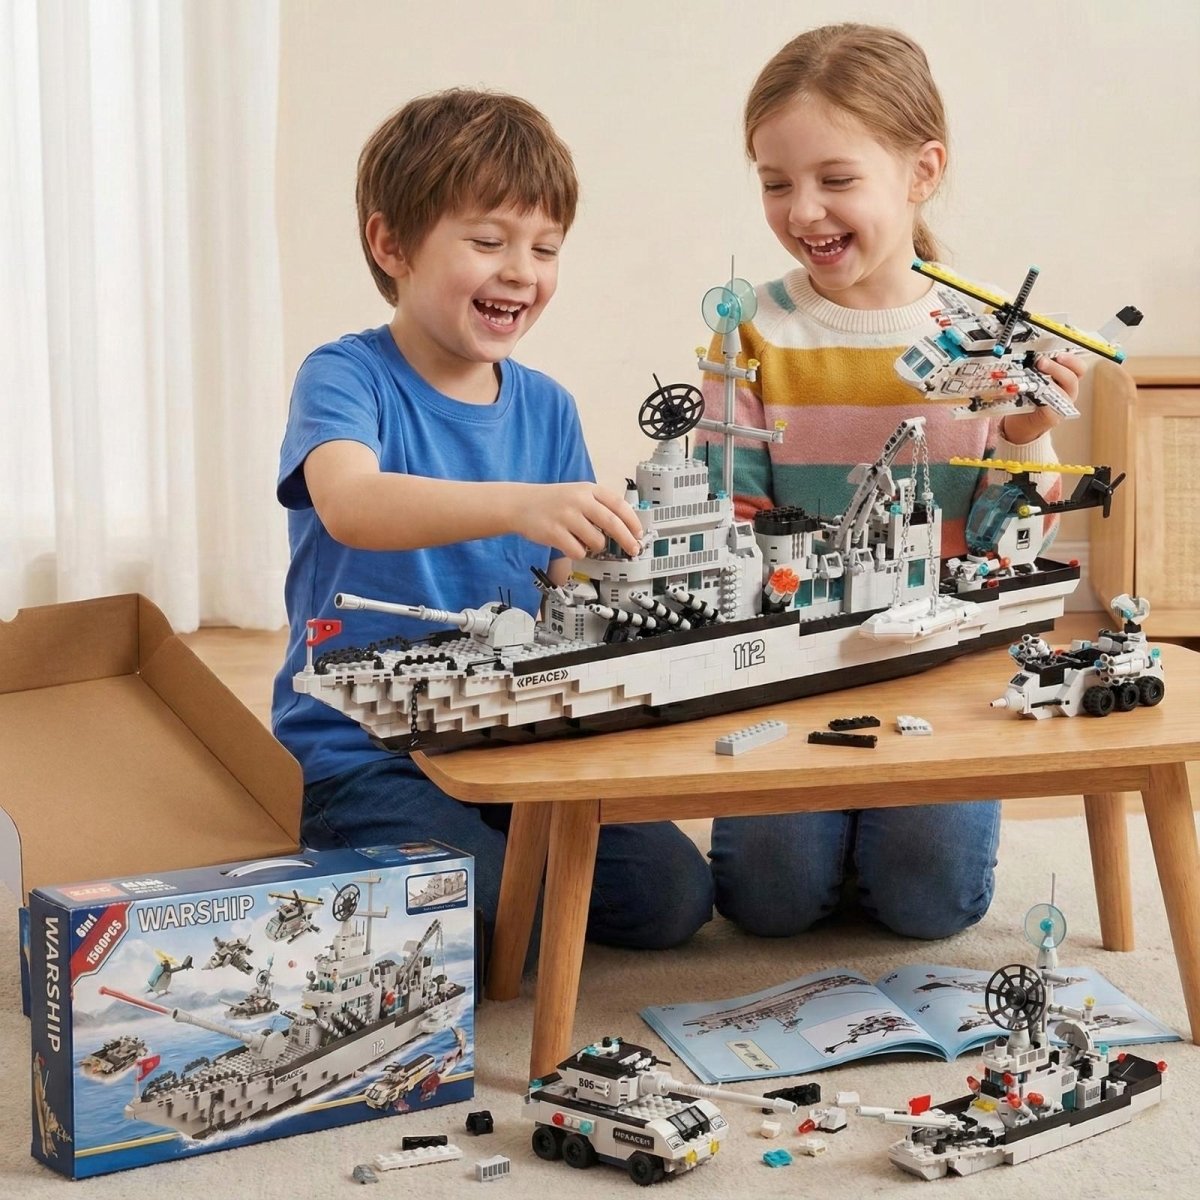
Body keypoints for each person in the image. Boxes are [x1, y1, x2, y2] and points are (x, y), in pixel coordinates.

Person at [271, 89, 714, 953]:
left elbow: (570, 578)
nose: (521, 271)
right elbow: (351, 503)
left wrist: (633, 566)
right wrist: (523, 504)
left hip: (512, 737)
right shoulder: (346, 377)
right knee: (495, 923)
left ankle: (487, 867)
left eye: (545, 249)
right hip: (365, 751)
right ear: (391, 245)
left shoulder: (548, 407)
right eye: (488, 242)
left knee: (672, 898)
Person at [698, 24, 1085, 940]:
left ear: (922, 171)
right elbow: (730, 513)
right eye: (776, 183)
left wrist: (1024, 437)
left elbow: (1010, 545)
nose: (804, 211)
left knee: (928, 903)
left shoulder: (983, 333)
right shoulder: (751, 331)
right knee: (767, 902)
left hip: (944, 661)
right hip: (797, 664)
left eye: (836, 180)